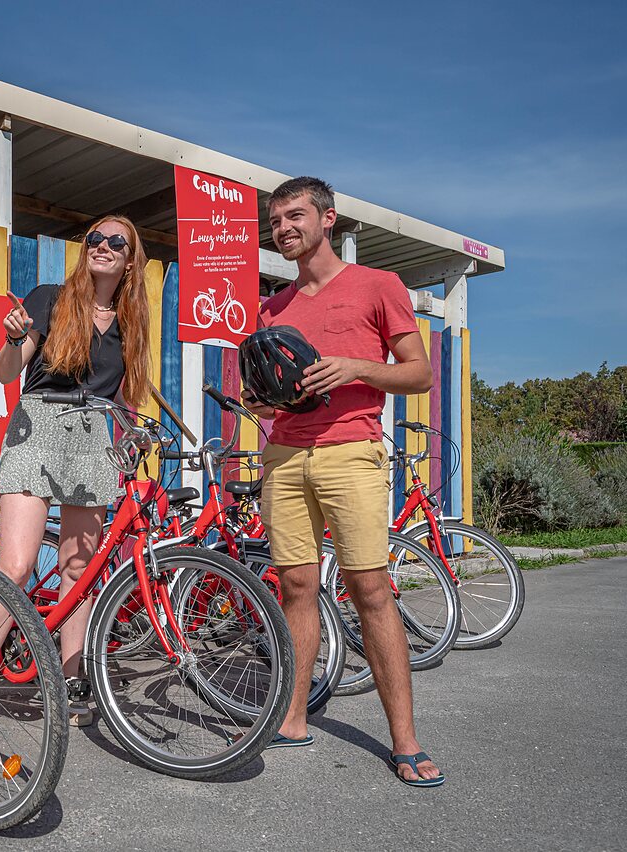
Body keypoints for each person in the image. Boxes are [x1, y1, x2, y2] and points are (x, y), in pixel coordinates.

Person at [241, 176, 443, 787]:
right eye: (276, 221)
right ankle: (295, 715)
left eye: (296, 216)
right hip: (283, 455)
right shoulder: (272, 306)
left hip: (351, 451)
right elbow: (271, 391)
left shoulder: (378, 286)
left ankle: (404, 741)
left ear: (329, 219)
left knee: (370, 588)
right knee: (296, 585)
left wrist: (355, 367)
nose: (285, 229)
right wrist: (260, 397)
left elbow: (421, 374)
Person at [0, 216, 152, 727]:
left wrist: (134, 429)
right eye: (94, 239)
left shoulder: (129, 323)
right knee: (15, 565)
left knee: (81, 570)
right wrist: (14, 339)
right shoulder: (50, 298)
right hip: (39, 424)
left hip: (94, 434)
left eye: (115, 241)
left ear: (130, 258)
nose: (102, 246)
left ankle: (72, 678)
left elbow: (118, 392)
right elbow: (7, 372)